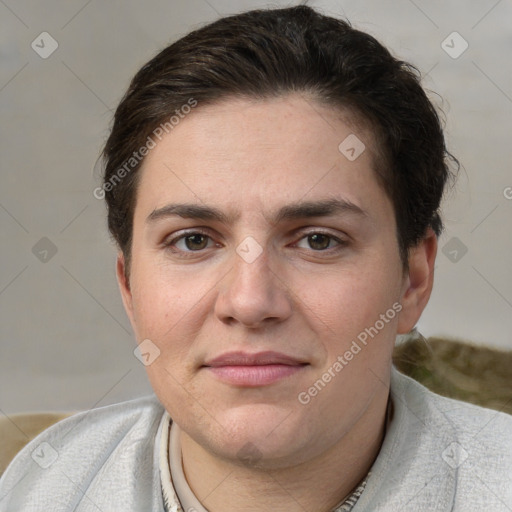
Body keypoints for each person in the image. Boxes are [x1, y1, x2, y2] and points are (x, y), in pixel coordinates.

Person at [1, 5, 511, 511]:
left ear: (412, 281)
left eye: (318, 240)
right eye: (194, 241)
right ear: (129, 286)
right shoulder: (34, 485)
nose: (249, 302)